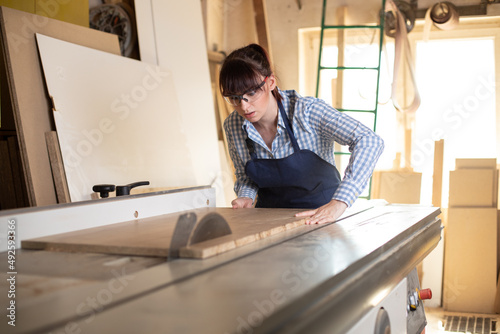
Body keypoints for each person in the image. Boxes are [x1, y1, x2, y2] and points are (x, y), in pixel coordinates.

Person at [219, 44, 384, 225]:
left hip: (322, 219)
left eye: (251, 93)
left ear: (270, 82)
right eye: (234, 98)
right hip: (270, 222)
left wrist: (339, 202)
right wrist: (246, 197)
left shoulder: (307, 112)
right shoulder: (233, 125)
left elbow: (369, 141)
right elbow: (245, 177)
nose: (244, 106)